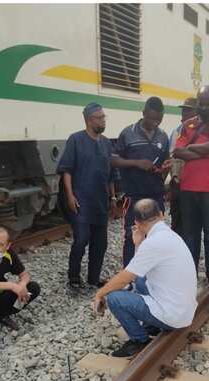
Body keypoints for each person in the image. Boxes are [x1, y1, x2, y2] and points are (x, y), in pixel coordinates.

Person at [92, 199, 198, 358]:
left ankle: (139, 340)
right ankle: (152, 325)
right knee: (141, 280)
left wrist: (100, 293)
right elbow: (139, 270)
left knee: (115, 298)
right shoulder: (170, 235)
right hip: (184, 310)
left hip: (173, 316)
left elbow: (125, 277)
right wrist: (138, 243)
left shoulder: (153, 243)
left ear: (137, 222)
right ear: (161, 215)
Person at [58, 102, 117, 291]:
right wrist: (70, 196)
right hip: (81, 200)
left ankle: (93, 278)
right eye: (99, 118)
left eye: (103, 117)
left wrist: (113, 197)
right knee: (81, 239)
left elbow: (111, 175)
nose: (103, 121)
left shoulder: (107, 143)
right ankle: (73, 277)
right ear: (89, 120)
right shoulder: (75, 140)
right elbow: (66, 171)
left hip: (100, 202)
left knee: (101, 243)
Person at [173, 86, 209, 283]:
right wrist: (205, 151)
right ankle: (191, 274)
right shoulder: (188, 125)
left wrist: (192, 148)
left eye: (207, 102)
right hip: (188, 188)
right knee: (190, 235)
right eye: (200, 102)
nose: (203, 107)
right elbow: (178, 152)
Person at [113, 97, 170, 267]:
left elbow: (165, 160)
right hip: (134, 194)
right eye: (151, 118)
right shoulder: (127, 133)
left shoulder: (163, 136)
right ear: (144, 113)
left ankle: (150, 272)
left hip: (156, 194)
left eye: (158, 119)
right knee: (132, 235)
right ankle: (129, 274)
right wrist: (137, 163)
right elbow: (113, 160)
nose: (155, 122)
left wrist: (164, 168)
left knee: (155, 236)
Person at [167, 97, 198, 238]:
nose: (184, 113)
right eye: (183, 110)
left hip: (193, 185)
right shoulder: (176, 131)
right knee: (176, 221)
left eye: (188, 110)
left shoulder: (201, 132)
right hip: (177, 184)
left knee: (190, 224)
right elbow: (171, 156)